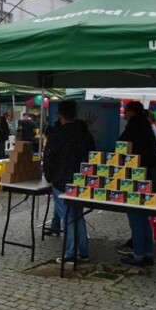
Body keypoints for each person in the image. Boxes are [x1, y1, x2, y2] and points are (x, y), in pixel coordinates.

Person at [42, 100, 95, 263]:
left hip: (61, 181)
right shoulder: (85, 133)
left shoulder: (57, 134)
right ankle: (84, 251)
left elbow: (48, 157)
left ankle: (70, 253)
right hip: (82, 180)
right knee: (78, 215)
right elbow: (93, 155)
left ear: (60, 116)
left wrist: (50, 177)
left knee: (68, 217)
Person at [116, 101, 156, 266]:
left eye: (126, 111)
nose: (125, 114)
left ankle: (138, 255)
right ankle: (147, 253)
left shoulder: (134, 126)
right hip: (148, 175)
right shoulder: (146, 125)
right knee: (143, 217)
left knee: (135, 217)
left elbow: (121, 145)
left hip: (136, 176)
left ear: (132, 112)